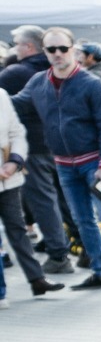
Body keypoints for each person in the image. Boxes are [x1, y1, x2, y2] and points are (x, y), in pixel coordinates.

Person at [23, 27, 101, 294]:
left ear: (73, 49)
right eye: (52, 49)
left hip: (94, 163)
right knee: (83, 220)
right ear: (45, 52)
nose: (58, 54)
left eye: (63, 48)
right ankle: (100, 270)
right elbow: (13, 103)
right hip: (64, 164)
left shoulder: (90, 83)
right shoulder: (39, 82)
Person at [1, 26, 73, 273]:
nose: (13, 48)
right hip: (62, 143)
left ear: (29, 46)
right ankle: (84, 249)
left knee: (43, 200)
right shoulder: (59, 69)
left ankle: (59, 255)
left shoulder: (16, 73)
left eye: (17, 43)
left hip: (34, 145)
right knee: (64, 198)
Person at [0, 90, 60, 297]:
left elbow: (17, 132)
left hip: (8, 178)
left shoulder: (1, 96)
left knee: (17, 228)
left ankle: (37, 279)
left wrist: (14, 161)